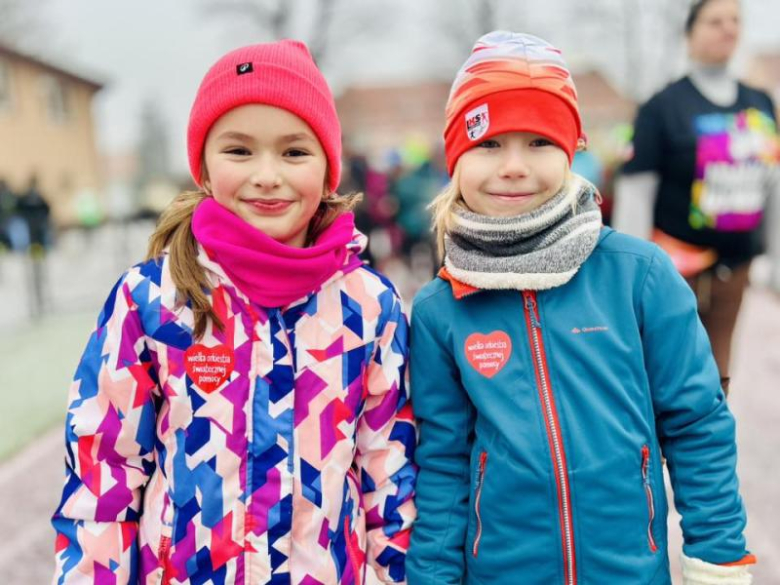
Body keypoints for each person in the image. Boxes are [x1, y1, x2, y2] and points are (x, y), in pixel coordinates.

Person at [52, 40, 416, 585]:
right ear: (202, 166)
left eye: (294, 152)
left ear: (327, 168)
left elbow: (389, 475)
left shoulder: (368, 308)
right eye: (239, 151)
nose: (266, 175)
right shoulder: (153, 301)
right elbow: (103, 470)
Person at [406, 31, 754, 585]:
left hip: (628, 570)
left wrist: (718, 555)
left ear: (571, 152)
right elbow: (442, 465)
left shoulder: (638, 275)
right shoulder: (439, 309)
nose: (514, 165)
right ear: (456, 158)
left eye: (539, 142)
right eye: (489, 143)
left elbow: (697, 422)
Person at [613, 0, 780, 394]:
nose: (728, 29)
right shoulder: (662, 108)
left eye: (735, 21)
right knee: (667, 380)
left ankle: (708, 455)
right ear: (690, 34)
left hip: (733, 272)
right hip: (675, 274)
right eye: (715, 21)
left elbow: (772, 186)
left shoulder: (759, 104)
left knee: (717, 381)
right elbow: (636, 195)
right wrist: (628, 280)